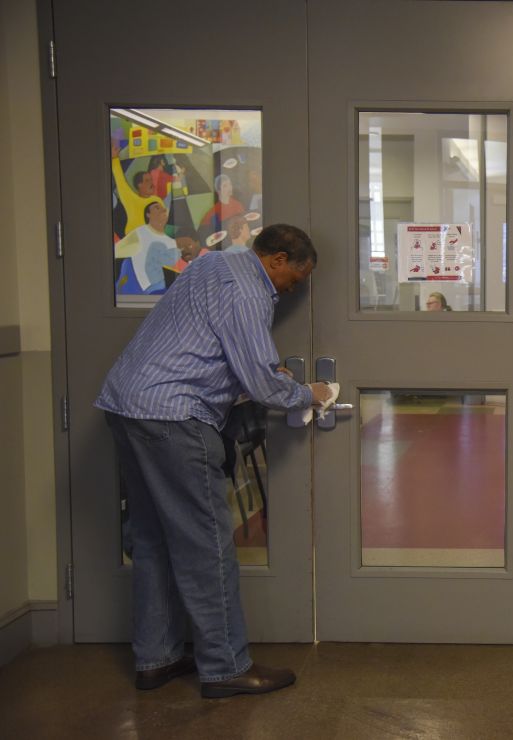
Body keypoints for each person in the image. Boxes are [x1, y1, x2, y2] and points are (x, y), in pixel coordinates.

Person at [96, 224, 332, 698]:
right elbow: (265, 386)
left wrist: (259, 375)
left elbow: (203, 349)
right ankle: (226, 667)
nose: (295, 288)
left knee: (152, 538)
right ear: (278, 259)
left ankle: (156, 658)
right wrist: (311, 391)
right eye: (297, 277)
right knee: (206, 544)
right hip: (173, 419)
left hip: (128, 407)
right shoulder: (249, 292)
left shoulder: (213, 263)